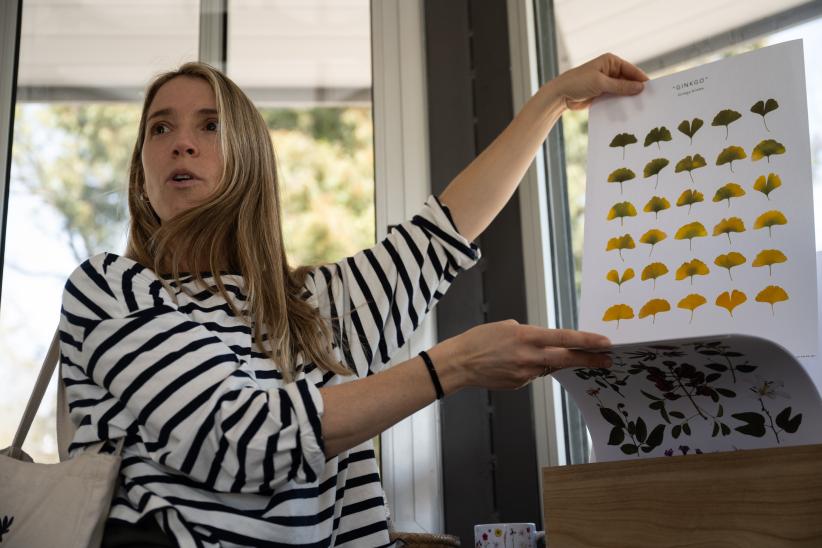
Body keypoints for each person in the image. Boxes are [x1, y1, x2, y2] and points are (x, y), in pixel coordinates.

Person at [58, 53, 647, 547]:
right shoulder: (112, 289)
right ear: (140, 172)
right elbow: (237, 440)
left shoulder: (313, 308)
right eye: (160, 128)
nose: (181, 143)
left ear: (251, 160)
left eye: (209, 126)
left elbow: (441, 233)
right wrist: (456, 365)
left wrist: (551, 100)